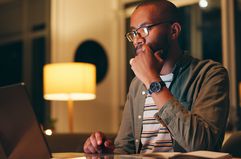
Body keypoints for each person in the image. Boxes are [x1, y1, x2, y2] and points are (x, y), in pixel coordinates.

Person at [83, 0, 229, 154]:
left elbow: (202, 145)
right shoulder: (137, 84)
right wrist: (104, 150)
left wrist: (152, 81)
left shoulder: (210, 74)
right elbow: (125, 149)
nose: (137, 39)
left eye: (145, 29)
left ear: (173, 31)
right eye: (133, 33)